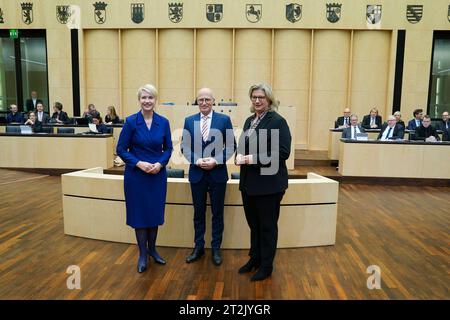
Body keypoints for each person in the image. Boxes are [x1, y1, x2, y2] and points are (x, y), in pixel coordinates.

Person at [235, 83, 292, 281]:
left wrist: (252, 159)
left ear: (269, 100)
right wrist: (238, 155)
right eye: (254, 97)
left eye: (261, 97)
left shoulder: (278, 121)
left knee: (267, 226)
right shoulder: (250, 121)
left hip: (269, 185)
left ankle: (266, 266)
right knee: (254, 225)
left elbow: (283, 152)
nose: (257, 101)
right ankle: (255, 259)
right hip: (249, 184)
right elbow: (242, 146)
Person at [116, 84, 173, 273]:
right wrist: (138, 163)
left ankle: (153, 250)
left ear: (155, 100)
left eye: (151, 98)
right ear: (139, 100)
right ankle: (142, 254)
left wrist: (160, 164)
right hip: (136, 177)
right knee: (139, 216)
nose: (147, 101)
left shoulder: (163, 122)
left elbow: (169, 149)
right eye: (144, 98)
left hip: (156, 176)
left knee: (153, 214)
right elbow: (121, 150)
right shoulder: (131, 122)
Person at [181, 87, 235, 266]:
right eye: (201, 100)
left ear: (213, 101)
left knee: (217, 213)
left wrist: (216, 160)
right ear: (197, 101)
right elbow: (184, 147)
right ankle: (198, 247)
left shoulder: (224, 120)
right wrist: (196, 160)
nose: (204, 103)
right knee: (198, 213)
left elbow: (231, 146)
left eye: (207, 100)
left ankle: (216, 248)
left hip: (217, 174)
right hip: (197, 174)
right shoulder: (189, 121)